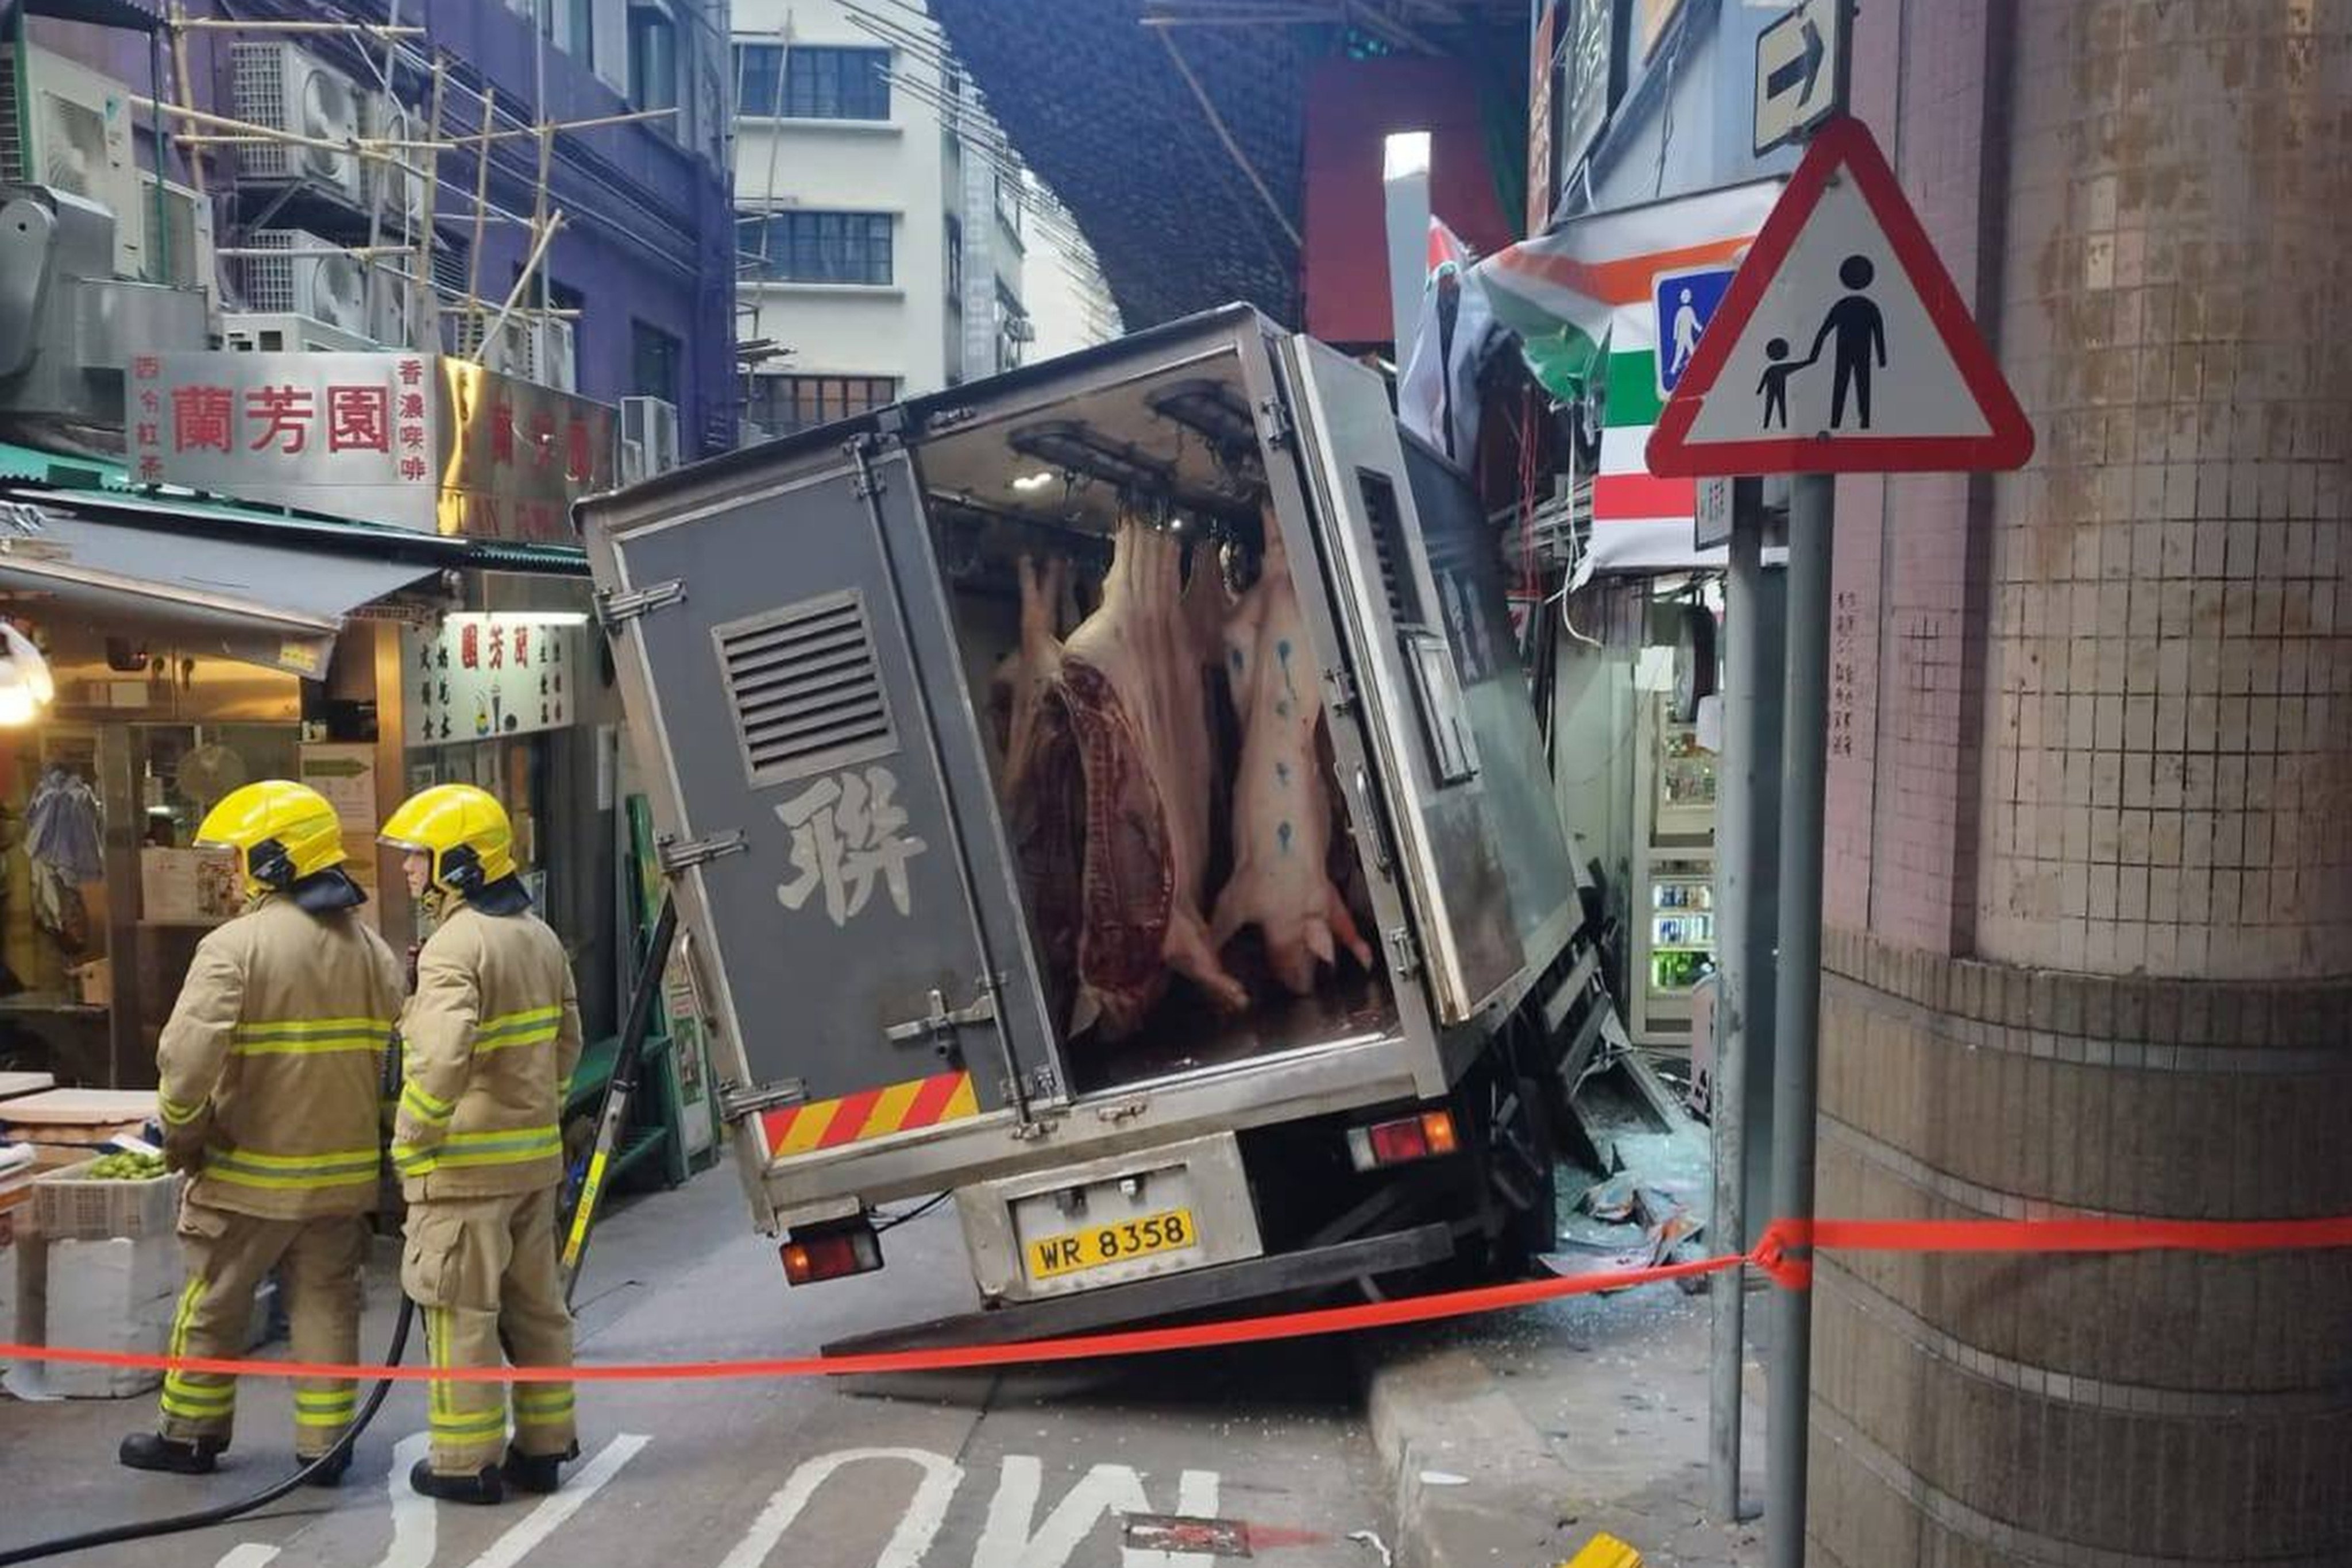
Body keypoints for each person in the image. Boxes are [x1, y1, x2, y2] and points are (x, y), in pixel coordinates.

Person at [122, 782, 404, 1483]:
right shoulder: (373, 952)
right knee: (328, 1307)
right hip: (342, 1181)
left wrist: (184, 1139)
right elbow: (394, 1069)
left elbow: (186, 1063)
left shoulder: (234, 947)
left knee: (214, 1303)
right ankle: (324, 1448)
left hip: (244, 1180)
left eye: (241, 856)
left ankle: (189, 1436)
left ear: (274, 860)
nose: (233, 871)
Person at [380, 784, 583, 1505]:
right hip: (532, 1165)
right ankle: (545, 1448)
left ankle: (465, 1465)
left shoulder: (454, 946)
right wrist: (537, 1115)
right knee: (538, 1311)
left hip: (462, 1173)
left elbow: (439, 1059)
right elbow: (567, 1041)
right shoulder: (538, 936)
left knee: (460, 1314)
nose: (409, 868)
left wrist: (412, 1142)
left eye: (420, 856)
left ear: (460, 865)